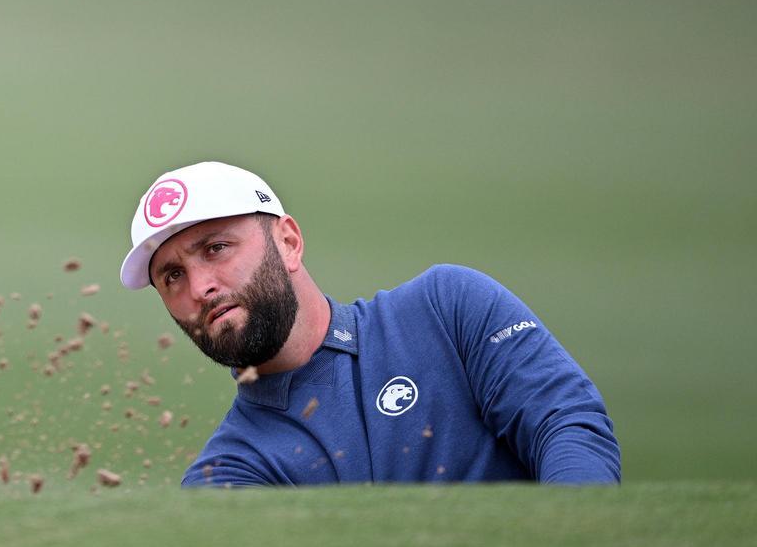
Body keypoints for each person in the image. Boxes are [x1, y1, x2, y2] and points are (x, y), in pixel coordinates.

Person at [119, 161, 621, 487]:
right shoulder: (230, 474)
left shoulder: (447, 308)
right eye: (172, 276)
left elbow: (566, 425)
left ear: (288, 242)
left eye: (216, 248)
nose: (200, 287)